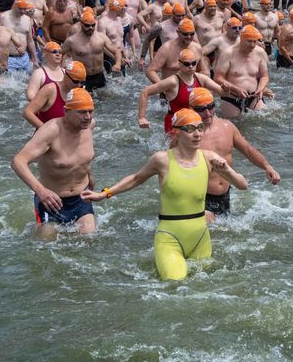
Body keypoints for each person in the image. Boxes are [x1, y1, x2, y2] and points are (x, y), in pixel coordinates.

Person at [81, 109, 248, 280]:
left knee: (204, 286)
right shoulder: (162, 160)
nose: (197, 134)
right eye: (190, 129)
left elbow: (242, 185)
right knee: (174, 285)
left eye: (200, 128)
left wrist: (227, 170)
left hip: (200, 238)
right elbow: (136, 179)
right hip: (170, 238)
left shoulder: (209, 158)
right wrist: (105, 194)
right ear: (176, 131)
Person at [11, 87, 98, 237]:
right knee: (45, 244)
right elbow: (18, 161)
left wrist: (89, 173)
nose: (88, 117)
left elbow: (81, 156)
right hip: (51, 201)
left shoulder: (89, 125)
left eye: (90, 111)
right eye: (82, 112)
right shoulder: (50, 131)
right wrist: (40, 190)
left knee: (89, 239)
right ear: (66, 111)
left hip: (80, 198)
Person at [187, 88, 280, 221]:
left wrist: (267, 167)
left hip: (225, 194)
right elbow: (172, 164)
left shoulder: (227, 127)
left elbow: (248, 150)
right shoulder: (186, 134)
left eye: (211, 107)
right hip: (199, 197)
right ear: (191, 109)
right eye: (201, 109)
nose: (207, 113)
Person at [139, 48, 223, 132]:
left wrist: (227, 88)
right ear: (179, 64)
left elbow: (221, 91)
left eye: (193, 63)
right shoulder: (172, 82)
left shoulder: (201, 78)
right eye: (187, 64)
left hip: (194, 123)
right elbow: (145, 92)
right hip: (176, 125)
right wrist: (142, 117)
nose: (191, 66)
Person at [24, 59, 86, 129]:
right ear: (66, 75)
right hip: (47, 138)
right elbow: (28, 112)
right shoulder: (50, 89)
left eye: (82, 82)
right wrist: (47, 131)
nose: (79, 85)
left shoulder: (80, 93)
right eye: (76, 81)